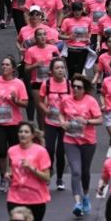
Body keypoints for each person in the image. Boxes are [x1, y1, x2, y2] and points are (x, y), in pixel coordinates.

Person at [59, 74, 103, 218]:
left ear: (84, 89)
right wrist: (62, 122)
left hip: (88, 141)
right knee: (76, 171)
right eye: (74, 87)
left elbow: (100, 120)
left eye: (79, 87)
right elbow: (61, 113)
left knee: (85, 171)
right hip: (70, 140)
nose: (75, 89)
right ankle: (77, 203)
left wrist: (87, 121)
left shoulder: (90, 101)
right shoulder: (66, 100)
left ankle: (85, 196)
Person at [0, 55, 29, 192]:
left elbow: (25, 103)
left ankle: (12, 176)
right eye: (2, 64)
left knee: (13, 152)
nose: (4, 67)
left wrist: (15, 100)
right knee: (1, 152)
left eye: (7, 65)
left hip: (14, 122)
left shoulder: (19, 84)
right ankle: (2, 177)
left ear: (13, 69)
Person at [5, 123, 51, 221]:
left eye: (26, 132)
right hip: (15, 198)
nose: (22, 134)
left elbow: (47, 178)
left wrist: (32, 168)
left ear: (32, 135)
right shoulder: (12, 150)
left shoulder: (40, 151)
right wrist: (8, 175)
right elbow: (11, 169)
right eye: (20, 132)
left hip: (35, 198)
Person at [37, 58, 70, 190]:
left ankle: (60, 178)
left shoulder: (69, 84)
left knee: (60, 152)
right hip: (50, 122)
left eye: (62, 67)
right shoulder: (47, 84)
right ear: (51, 71)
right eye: (57, 68)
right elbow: (40, 101)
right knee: (49, 150)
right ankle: (48, 173)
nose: (60, 70)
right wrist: (46, 110)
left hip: (64, 124)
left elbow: (74, 101)